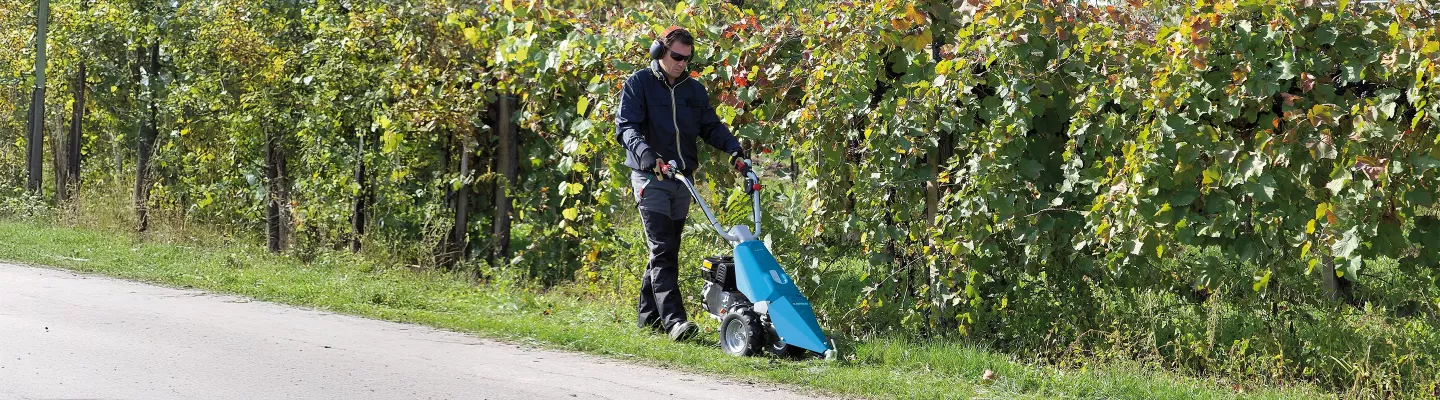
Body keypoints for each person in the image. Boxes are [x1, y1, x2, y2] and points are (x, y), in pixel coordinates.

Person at [614, 26, 748, 341]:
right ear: (659, 51)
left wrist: (735, 150)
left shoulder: (693, 91)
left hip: (682, 181)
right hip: (651, 177)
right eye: (676, 57)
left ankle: (647, 322)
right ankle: (675, 323)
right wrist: (646, 153)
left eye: (686, 59)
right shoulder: (639, 84)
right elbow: (626, 127)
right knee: (663, 249)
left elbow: (711, 127)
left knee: (666, 250)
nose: (681, 64)